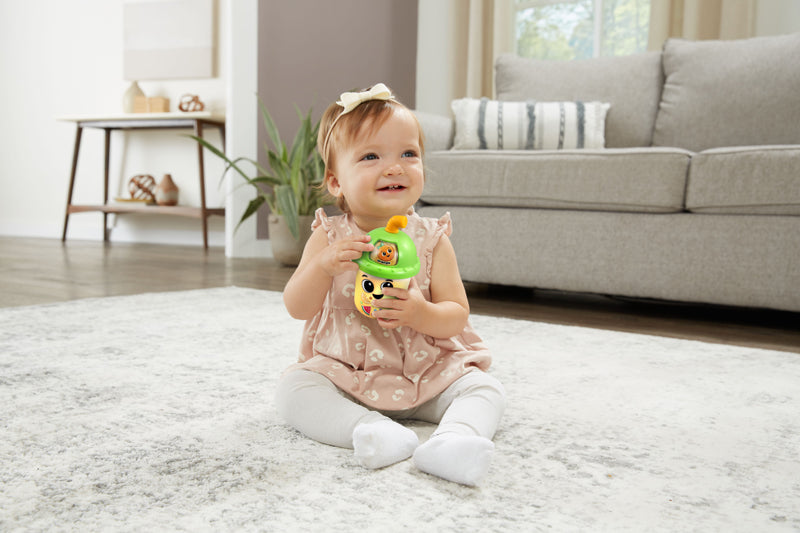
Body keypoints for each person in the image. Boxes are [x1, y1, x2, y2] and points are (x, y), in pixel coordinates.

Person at [276, 83, 506, 486]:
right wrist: (323, 268)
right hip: (348, 374)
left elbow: (456, 316)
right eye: (370, 156)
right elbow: (297, 307)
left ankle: (453, 442)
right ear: (335, 182)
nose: (395, 166)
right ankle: (369, 430)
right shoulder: (329, 237)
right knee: (294, 389)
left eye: (408, 154)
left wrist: (420, 312)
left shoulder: (432, 238)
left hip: (428, 373)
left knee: (484, 389)